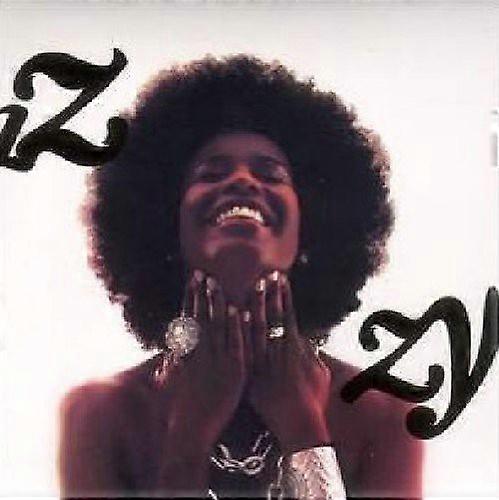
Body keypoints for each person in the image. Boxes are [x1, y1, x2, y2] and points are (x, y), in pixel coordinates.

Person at [59, 55, 423, 498]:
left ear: (311, 230)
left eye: (271, 174)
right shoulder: (100, 413)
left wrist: (302, 425)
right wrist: (190, 433)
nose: (243, 181)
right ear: (166, 228)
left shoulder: (385, 415)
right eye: (211, 173)